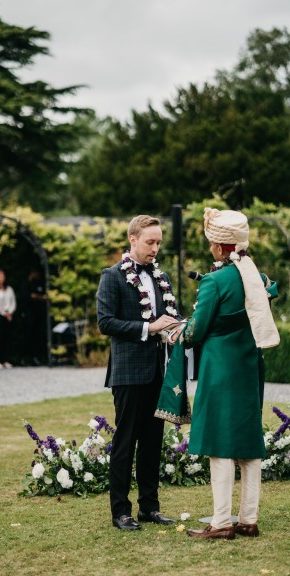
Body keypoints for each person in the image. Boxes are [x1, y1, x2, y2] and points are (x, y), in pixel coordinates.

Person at [159, 207, 280, 540]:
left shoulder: (214, 280)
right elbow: (271, 293)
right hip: (249, 365)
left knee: (220, 443)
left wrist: (177, 330)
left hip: (220, 368)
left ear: (220, 246)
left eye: (212, 241)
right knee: (248, 440)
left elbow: (196, 332)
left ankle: (222, 522)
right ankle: (249, 519)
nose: (210, 246)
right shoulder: (255, 274)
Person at [96, 215, 181, 531]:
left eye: (159, 242)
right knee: (125, 441)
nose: (155, 248)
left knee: (152, 441)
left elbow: (170, 315)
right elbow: (106, 323)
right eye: (150, 242)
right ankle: (121, 512)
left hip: (158, 372)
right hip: (129, 374)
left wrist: (177, 326)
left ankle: (150, 508)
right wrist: (149, 327)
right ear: (133, 239)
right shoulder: (112, 277)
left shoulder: (162, 277)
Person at [21, 269, 48, 366]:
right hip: (28, 315)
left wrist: (37, 297)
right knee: (28, 336)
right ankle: (25, 358)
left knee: (37, 336)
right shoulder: (26, 284)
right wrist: (39, 297)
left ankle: (35, 357)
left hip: (38, 315)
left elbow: (41, 296)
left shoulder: (39, 284)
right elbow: (30, 296)